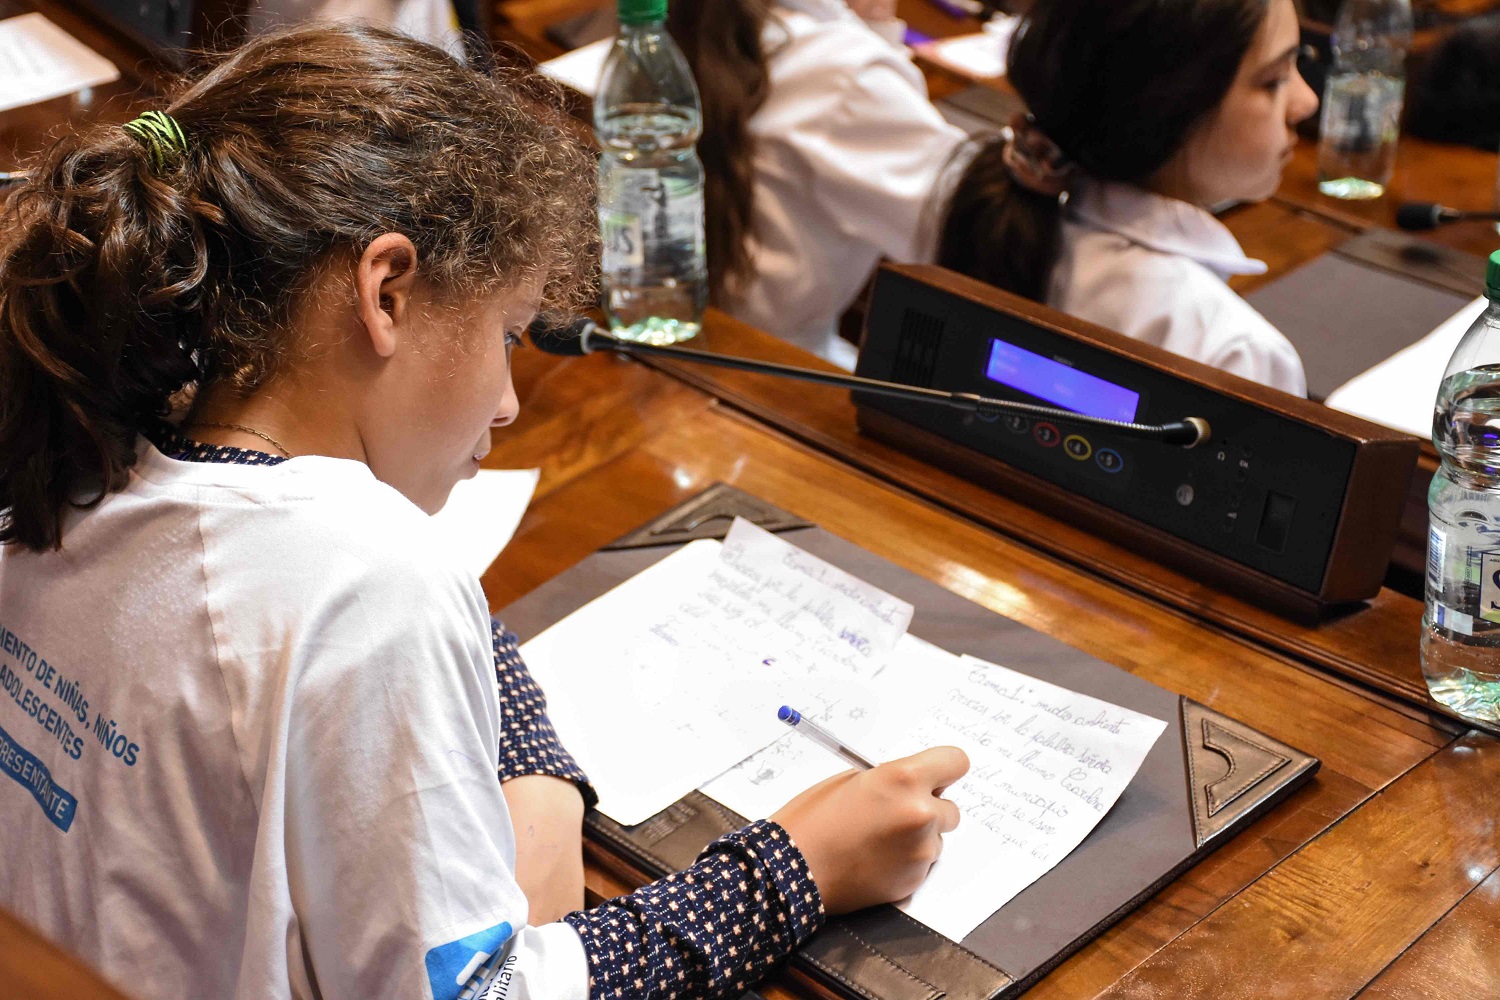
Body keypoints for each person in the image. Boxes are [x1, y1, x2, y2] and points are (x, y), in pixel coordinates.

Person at [0, 24, 968, 1000]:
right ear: (385, 290)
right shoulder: (368, 587)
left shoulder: (89, 431)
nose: (508, 401)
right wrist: (795, 867)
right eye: (508, 334)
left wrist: (536, 773)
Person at [936, 0, 1320, 395]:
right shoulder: (1238, 354)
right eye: (1274, 80)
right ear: (1172, 106)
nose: (1307, 102)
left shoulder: (1003, 207)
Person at [666, 0, 968, 369]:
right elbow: (967, 241)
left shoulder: (693, 24)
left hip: (687, 337)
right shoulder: (848, 76)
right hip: (772, 368)